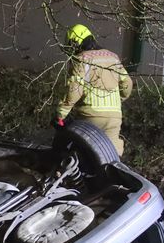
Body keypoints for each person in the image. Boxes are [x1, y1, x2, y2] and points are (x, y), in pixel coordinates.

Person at [54, 24, 133, 154]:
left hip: (91, 116)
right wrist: (119, 100)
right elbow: (127, 83)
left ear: (75, 44)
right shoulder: (113, 58)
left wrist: (60, 115)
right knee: (111, 153)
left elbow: (74, 91)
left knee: (81, 151)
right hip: (114, 115)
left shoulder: (82, 60)